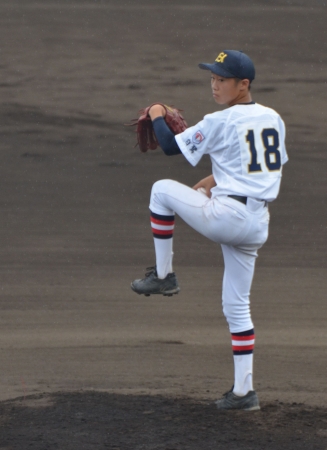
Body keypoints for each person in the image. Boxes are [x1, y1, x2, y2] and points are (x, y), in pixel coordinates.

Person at [130, 50, 288, 411]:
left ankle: (164, 276)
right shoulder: (272, 118)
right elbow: (260, 168)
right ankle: (244, 393)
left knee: (160, 190)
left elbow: (169, 146)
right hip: (256, 224)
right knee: (236, 307)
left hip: (228, 217)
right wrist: (214, 180)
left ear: (243, 84)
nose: (214, 85)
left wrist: (157, 113)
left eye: (222, 79)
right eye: (212, 78)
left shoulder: (220, 120)